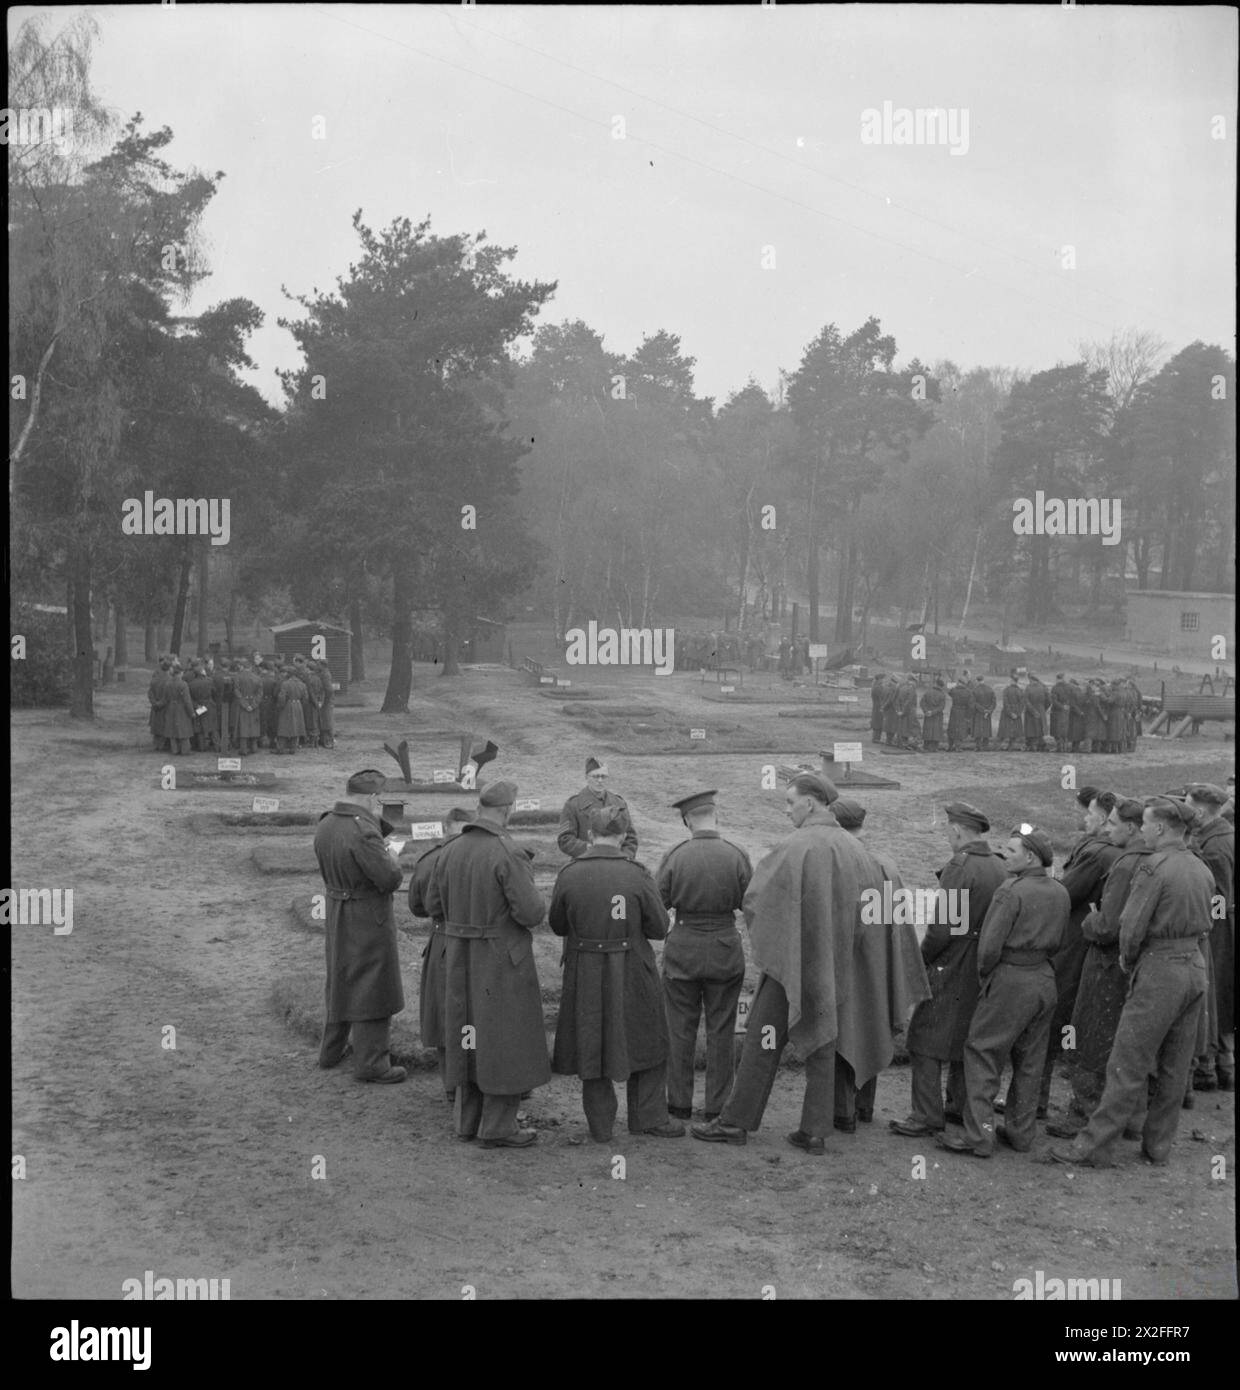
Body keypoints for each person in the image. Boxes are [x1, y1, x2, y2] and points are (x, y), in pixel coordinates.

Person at [691, 774, 927, 1156]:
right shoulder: (859, 851)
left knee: (761, 1041)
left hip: (793, 968)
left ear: (812, 803)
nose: (786, 810)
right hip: (837, 970)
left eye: (790, 802)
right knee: (823, 1043)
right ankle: (815, 1130)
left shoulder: (796, 845)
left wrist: (783, 944)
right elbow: (874, 916)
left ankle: (735, 1122)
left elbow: (756, 901)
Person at [1048, 798, 1214, 1167]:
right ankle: (1157, 1147)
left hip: (1160, 969)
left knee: (1126, 1061)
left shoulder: (1154, 868)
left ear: (1159, 829)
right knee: (1174, 1063)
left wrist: (1129, 958)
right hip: (1195, 966)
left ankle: (1094, 1147)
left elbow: (1131, 928)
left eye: (1148, 825)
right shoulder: (1199, 868)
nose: (1144, 831)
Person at [423, 779, 550, 1148]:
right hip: (499, 960)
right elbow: (531, 913)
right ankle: (498, 1126)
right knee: (504, 1039)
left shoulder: (449, 849)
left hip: (457, 957)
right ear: (508, 809)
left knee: (466, 1037)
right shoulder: (506, 852)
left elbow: (433, 907)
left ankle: (467, 1120)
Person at [550, 804, 683, 1141]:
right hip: (632, 969)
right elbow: (658, 928)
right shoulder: (636, 873)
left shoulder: (570, 873)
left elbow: (557, 924)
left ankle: (600, 1126)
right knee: (648, 1037)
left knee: (591, 1042)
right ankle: (649, 1117)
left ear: (590, 835)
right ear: (623, 836)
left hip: (584, 970)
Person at [937, 826, 1069, 1157]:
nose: (1004, 855)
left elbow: (988, 948)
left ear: (1031, 857)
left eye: (1011, 851)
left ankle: (979, 1137)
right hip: (1045, 979)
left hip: (1010, 979)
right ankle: (1022, 1134)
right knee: (1030, 1060)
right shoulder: (1059, 891)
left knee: (982, 1053)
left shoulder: (1010, 891)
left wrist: (988, 978)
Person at [890, 803, 1007, 1138]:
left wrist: (922, 957)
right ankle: (957, 1105)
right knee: (965, 1035)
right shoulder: (999, 865)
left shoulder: (960, 866)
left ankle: (926, 1115)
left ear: (957, 830)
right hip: (982, 959)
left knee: (923, 1036)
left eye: (947, 828)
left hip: (952, 958)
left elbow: (942, 928)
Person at [1046, 797, 1151, 1138]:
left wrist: (1091, 919)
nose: (1106, 828)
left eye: (1112, 823)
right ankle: (1132, 1119)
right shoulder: (1156, 859)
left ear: (1131, 827)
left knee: (1091, 1037)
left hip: (1107, 961)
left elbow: (1107, 925)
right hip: (1138, 962)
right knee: (1127, 1042)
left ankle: (1083, 1116)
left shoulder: (1124, 863)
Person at [655, 791, 752, 1123]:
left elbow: (658, 906)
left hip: (683, 948)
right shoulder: (736, 855)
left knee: (678, 1029)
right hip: (725, 947)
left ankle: (678, 1104)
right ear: (716, 815)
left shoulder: (675, 855)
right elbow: (749, 903)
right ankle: (717, 1105)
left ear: (687, 820)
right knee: (722, 1031)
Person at [314, 769, 407, 1084]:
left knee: (340, 978)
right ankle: (371, 1063)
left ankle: (330, 1050)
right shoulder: (364, 831)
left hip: (337, 909)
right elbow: (389, 879)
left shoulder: (326, 822)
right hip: (368, 914)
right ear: (373, 798)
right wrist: (392, 856)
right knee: (373, 985)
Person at [1038, 791, 1122, 1120]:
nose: (1085, 819)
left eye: (1091, 814)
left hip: (1074, 942)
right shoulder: (1117, 851)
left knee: (1050, 1020)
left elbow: (1064, 893)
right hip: (1092, 945)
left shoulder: (1097, 853)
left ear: (1103, 819)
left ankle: (1036, 1101)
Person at [407, 820, 465, 1103]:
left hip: (442, 939)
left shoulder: (429, 860)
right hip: (468, 941)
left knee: (444, 1013)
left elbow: (417, 907)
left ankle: (452, 1084)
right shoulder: (481, 854)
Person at [1187, 783, 1235, 1092]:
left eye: (1189, 806)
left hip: (1218, 930)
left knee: (1213, 996)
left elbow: (1218, 898)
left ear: (1201, 812)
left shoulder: (1214, 846)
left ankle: (1211, 1068)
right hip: (1224, 925)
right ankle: (1221, 1066)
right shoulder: (1224, 834)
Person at [557, 757, 637, 860]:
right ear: (586, 777)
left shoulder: (619, 803)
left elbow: (631, 838)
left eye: (603, 776)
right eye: (595, 776)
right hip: (586, 861)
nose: (600, 781)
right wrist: (589, 849)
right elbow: (565, 839)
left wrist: (625, 857)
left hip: (616, 861)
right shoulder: (573, 805)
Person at [231, 658, 263, 756]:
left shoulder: (237, 677)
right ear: (251, 667)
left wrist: (244, 704)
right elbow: (260, 694)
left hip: (242, 705)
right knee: (254, 726)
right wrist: (253, 705)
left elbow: (237, 692)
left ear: (243, 667)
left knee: (243, 726)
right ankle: (254, 747)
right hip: (254, 704)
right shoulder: (258, 678)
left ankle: (243, 748)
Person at [163, 661, 196, 756]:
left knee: (172, 729)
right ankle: (185, 750)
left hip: (170, 708)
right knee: (184, 730)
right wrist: (191, 712)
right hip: (181, 709)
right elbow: (187, 701)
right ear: (180, 673)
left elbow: (165, 698)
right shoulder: (183, 684)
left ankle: (174, 750)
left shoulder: (168, 684)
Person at [275, 665, 307, 754]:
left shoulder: (285, 684)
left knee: (283, 726)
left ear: (288, 674)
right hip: (298, 705)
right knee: (296, 726)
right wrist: (300, 705)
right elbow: (305, 698)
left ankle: (280, 748)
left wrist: (280, 707)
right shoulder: (302, 684)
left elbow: (282, 697)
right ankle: (293, 748)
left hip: (287, 705)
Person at [187, 660, 217, 752]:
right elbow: (214, 692)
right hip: (209, 705)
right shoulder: (210, 681)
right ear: (202, 672)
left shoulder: (191, 684)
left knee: (199, 727)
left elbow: (190, 698)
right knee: (213, 726)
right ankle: (217, 746)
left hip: (199, 706)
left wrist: (197, 705)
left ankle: (202, 747)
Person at [311, 658, 335, 749]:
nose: (317, 666)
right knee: (323, 720)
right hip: (325, 700)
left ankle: (328, 741)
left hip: (326, 701)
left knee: (326, 721)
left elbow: (328, 689)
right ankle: (324, 740)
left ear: (322, 665)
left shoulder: (325, 675)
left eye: (318, 664)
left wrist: (324, 701)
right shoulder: (323, 673)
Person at [147, 658, 171, 752]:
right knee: (163, 725)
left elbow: (150, 693)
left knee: (156, 725)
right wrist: (161, 703)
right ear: (169, 669)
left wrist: (154, 703)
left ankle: (155, 744)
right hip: (164, 707)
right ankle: (162, 745)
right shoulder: (169, 681)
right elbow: (168, 695)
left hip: (155, 706)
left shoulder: (154, 679)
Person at [997, 673, 1025, 751]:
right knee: (1015, 730)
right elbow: (1022, 704)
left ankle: (1001, 745)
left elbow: (1005, 703)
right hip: (1016, 713)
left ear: (1012, 680)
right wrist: (1017, 713)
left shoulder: (1006, 690)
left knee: (1005, 730)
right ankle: (1011, 745)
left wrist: (1010, 713)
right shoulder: (1020, 690)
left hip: (1007, 713)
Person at [946, 674, 973, 752]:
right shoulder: (968, 692)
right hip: (963, 712)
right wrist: (968, 715)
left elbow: (949, 692)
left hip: (954, 710)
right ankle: (958, 746)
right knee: (961, 729)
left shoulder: (954, 690)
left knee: (952, 728)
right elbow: (970, 706)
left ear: (959, 682)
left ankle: (950, 746)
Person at [1024, 674, 1049, 751]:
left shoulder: (1028, 688)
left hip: (1031, 712)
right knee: (1040, 728)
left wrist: (1033, 711)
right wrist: (1043, 709)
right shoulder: (1044, 687)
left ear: (1031, 679)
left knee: (1031, 729)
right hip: (1041, 709)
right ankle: (1041, 745)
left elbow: (1026, 701)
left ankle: (1033, 745)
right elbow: (1049, 700)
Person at [920, 679, 946, 752]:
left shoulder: (928, 692)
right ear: (942, 686)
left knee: (927, 730)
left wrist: (926, 711)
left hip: (927, 714)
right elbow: (942, 707)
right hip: (937, 715)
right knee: (936, 731)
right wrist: (933, 712)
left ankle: (926, 746)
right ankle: (934, 747)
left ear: (935, 684)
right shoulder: (942, 695)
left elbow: (922, 703)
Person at [1049, 674, 1072, 753]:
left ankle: (1060, 747)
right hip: (1066, 711)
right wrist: (1066, 706)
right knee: (1064, 729)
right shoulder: (1068, 687)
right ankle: (1065, 747)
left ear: (1058, 679)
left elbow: (1054, 701)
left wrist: (1062, 706)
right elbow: (1071, 698)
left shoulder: (1055, 688)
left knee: (1057, 730)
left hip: (1057, 711)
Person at [970, 676, 995, 750]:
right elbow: (994, 702)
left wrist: (983, 710)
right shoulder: (990, 689)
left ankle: (978, 746)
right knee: (986, 729)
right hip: (987, 713)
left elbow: (974, 703)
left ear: (977, 681)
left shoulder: (975, 690)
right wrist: (988, 711)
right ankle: (985, 746)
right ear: (983, 680)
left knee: (978, 730)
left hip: (978, 713)